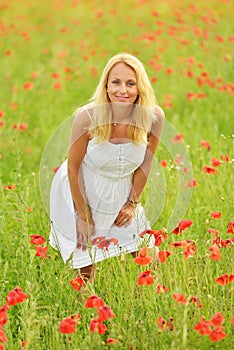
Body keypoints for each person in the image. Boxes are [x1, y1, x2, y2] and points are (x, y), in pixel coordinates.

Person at [49, 53, 164, 281]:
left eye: (131, 83)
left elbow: (146, 161)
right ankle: (84, 311)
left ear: (140, 87)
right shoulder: (87, 117)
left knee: (149, 255)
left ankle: (153, 304)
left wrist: (132, 204)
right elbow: (73, 168)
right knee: (86, 265)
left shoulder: (153, 117)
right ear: (106, 86)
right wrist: (83, 216)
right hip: (82, 189)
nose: (123, 90)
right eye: (116, 82)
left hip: (121, 189)